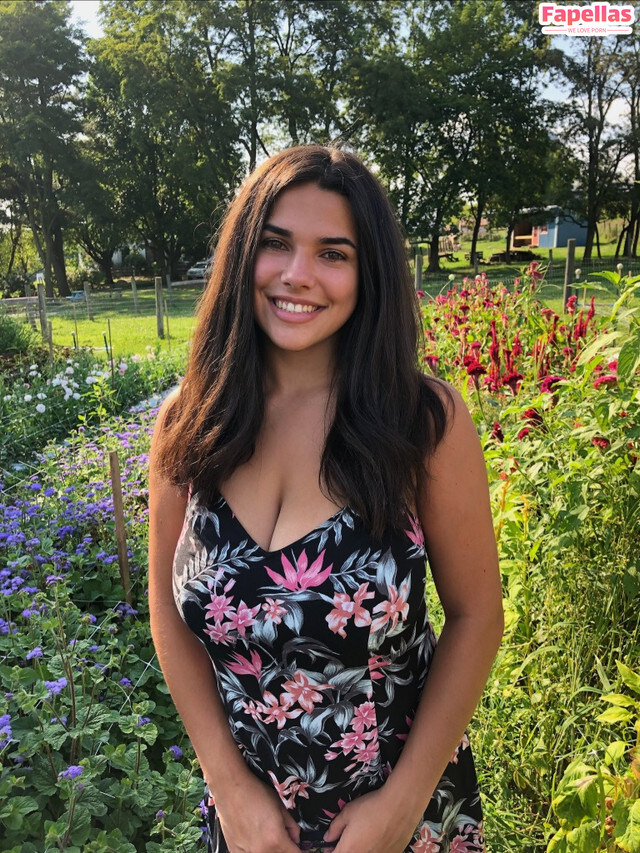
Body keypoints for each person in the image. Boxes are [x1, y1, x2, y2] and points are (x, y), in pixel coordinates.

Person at [148, 145, 503, 853]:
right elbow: (166, 605)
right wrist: (229, 788)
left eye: (332, 254)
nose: (297, 275)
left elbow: (475, 617)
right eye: (275, 243)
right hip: (251, 827)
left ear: (369, 274)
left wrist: (400, 806)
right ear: (242, 255)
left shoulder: (420, 423)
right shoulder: (190, 421)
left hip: (399, 818)